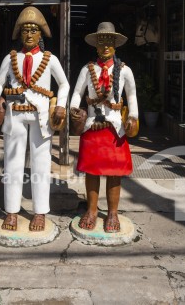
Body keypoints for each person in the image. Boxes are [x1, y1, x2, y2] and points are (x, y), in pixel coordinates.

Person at [0, 7, 69, 232]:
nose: (29, 34)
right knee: (12, 164)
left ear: (41, 34)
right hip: (15, 115)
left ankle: (40, 212)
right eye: (25, 30)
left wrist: (60, 105)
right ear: (20, 34)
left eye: (34, 30)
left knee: (41, 164)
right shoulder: (10, 58)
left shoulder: (49, 59)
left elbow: (63, 84)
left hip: (41, 116)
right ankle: (12, 211)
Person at [70, 22, 138, 233]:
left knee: (114, 173)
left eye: (109, 42)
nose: (105, 46)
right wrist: (73, 108)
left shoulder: (125, 70)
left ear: (115, 45)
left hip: (115, 128)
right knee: (91, 172)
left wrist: (133, 116)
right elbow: (77, 93)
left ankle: (112, 213)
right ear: (96, 46)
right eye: (102, 42)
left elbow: (132, 95)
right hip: (92, 127)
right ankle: (91, 210)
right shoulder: (87, 69)